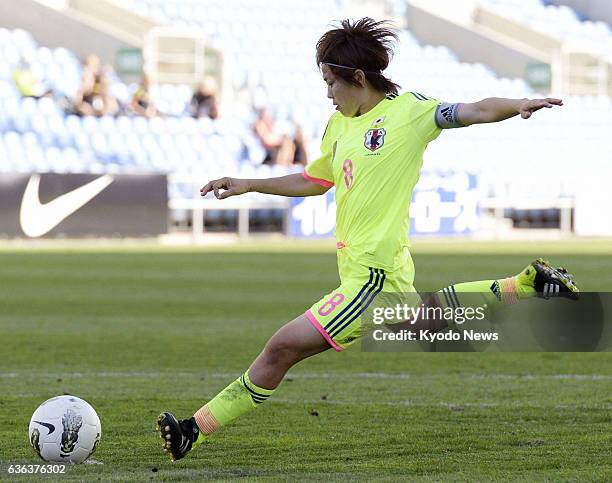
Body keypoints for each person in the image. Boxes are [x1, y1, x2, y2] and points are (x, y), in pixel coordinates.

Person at [157, 18, 579, 461]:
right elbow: (314, 179)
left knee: (281, 346)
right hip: (371, 268)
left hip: (372, 276)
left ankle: (193, 429)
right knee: (424, 322)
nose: (327, 93)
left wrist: (519, 104)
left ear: (357, 78)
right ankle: (528, 283)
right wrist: (248, 183)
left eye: (330, 82)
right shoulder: (337, 126)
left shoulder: (410, 112)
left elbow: (472, 110)